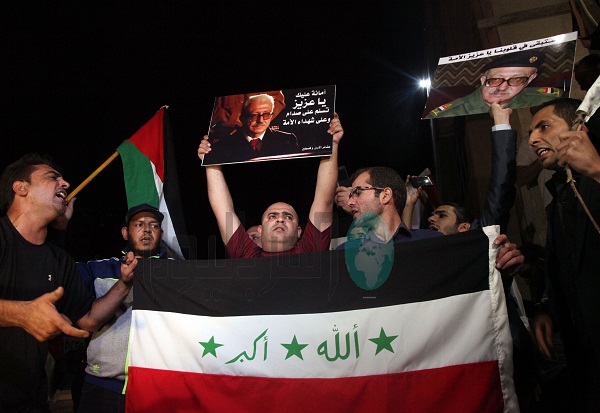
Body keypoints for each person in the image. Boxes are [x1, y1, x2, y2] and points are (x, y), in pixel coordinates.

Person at [0, 153, 137, 412]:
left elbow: (89, 320)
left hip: (30, 399)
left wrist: (124, 283)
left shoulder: (59, 259)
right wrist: (20, 314)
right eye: (52, 177)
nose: (65, 183)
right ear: (21, 188)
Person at [527, 97, 600, 412]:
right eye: (530, 132)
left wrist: (598, 171)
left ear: (578, 128)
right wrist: (550, 312)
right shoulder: (558, 195)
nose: (532, 139)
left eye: (543, 127)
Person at [198, 113, 343, 257]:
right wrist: (210, 161)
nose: (280, 219)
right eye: (272, 216)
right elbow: (223, 210)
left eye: (288, 217)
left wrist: (332, 144)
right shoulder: (247, 256)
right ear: (260, 230)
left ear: (299, 231)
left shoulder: (310, 249)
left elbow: (325, 200)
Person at [75, 203, 170, 413]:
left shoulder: (179, 272)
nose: (147, 230)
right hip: (102, 385)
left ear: (161, 234)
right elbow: (55, 271)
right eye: (139, 224)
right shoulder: (97, 269)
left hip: (158, 388)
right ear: (125, 232)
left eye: (154, 225)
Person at [425, 50, 562, 119]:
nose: (503, 87)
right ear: (483, 80)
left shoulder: (549, 98)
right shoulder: (448, 113)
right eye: (496, 80)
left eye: (516, 80)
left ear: (530, 80)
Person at [204, 94, 300, 165]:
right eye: (254, 115)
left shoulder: (287, 140)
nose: (260, 120)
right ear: (242, 118)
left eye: (266, 115)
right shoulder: (222, 147)